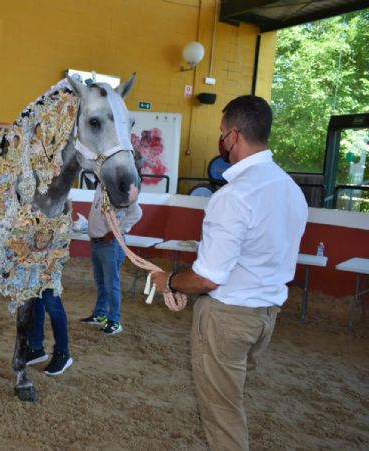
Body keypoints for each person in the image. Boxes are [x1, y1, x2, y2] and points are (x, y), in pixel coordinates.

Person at [151, 95, 308, 451]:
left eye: (222, 133)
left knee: (223, 416)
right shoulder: (290, 189)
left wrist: (171, 281)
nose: (221, 141)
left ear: (234, 135)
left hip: (228, 317)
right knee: (231, 398)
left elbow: (207, 278)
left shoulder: (234, 196)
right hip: (265, 316)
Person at [80, 183, 142, 335]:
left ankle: (114, 321)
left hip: (110, 244)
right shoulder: (101, 187)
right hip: (98, 243)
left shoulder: (119, 188)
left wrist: (115, 231)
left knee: (111, 283)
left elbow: (137, 212)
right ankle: (100, 314)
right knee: (102, 282)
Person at [26, 289, 73, 376]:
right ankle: (35, 349)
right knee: (34, 301)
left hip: (48, 276)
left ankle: (63, 353)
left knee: (52, 303)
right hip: (32, 275)